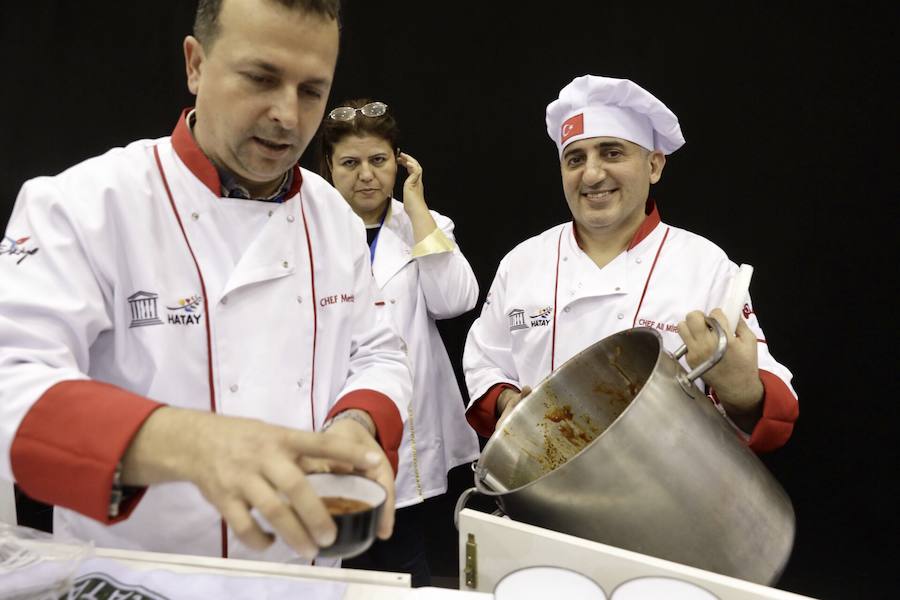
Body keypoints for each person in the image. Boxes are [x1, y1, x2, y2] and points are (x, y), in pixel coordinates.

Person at [0, 0, 413, 566]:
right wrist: (193, 442)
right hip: (137, 574)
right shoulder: (84, 205)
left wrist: (354, 424)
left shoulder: (333, 216)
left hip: (305, 576)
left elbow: (379, 351)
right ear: (195, 64)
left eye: (311, 90)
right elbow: (10, 384)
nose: (288, 116)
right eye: (261, 78)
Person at [464, 75, 798, 451]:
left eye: (612, 152)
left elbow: (776, 412)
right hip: (542, 492)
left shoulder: (705, 266)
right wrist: (508, 402)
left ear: (654, 166)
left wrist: (742, 390)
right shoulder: (522, 262)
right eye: (575, 159)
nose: (591, 174)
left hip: (665, 495)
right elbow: (485, 360)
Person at [316, 99, 480, 586]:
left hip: (412, 420)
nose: (366, 175)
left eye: (378, 161)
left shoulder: (423, 225)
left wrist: (416, 205)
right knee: (334, 565)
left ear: (400, 163)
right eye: (350, 163)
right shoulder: (307, 231)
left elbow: (454, 299)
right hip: (335, 418)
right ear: (328, 168)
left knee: (404, 561)